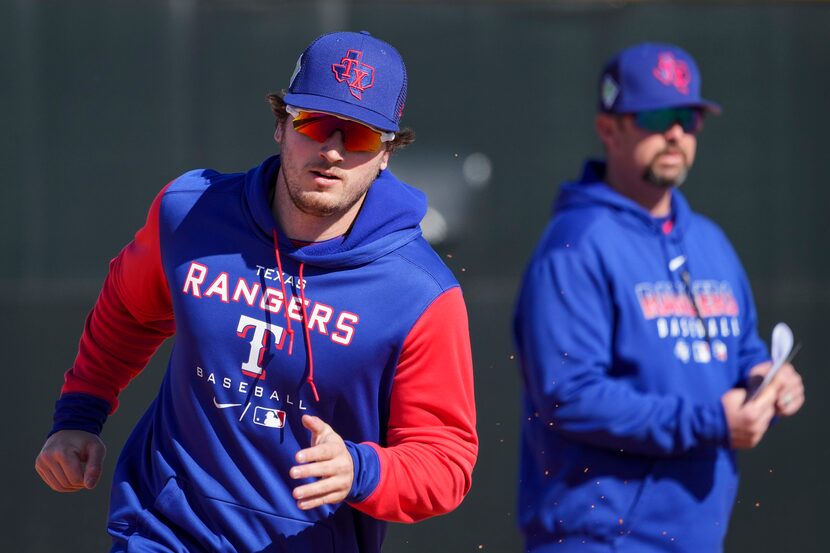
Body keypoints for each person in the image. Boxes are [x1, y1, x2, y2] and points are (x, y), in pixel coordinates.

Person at [35, 30, 477, 553]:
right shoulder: (191, 213)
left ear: (385, 154)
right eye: (315, 124)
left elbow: (444, 460)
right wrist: (79, 416)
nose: (332, 151)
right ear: (280, 125)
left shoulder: (421, 293)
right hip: (166, 532)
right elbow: (130, 312)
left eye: (357, 136)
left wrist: (360, 469)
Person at [513, 42, 804, 552]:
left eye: (688, 117)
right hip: (600, 538)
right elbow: (570, 396)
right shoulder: (575, 244)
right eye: (655, 115)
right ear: (610, 128)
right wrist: (713, 421)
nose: (675, 132)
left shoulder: (709, 241)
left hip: (697, 536)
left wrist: (766, 380)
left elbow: (745, 353)